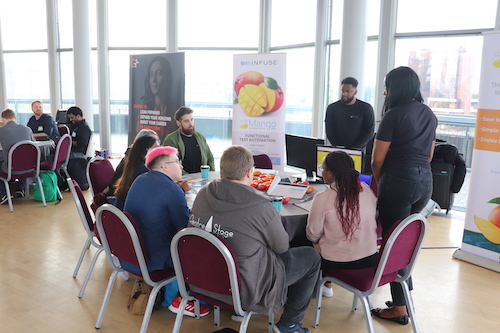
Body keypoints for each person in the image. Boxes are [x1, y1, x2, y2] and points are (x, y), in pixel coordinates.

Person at [189, 145, 321, 333]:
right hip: (244, 287)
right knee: (311, 257)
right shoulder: (260, 205)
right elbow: (282, 247)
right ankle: (290, 325)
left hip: (200, 279)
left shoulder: (203, 194)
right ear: (251, 172)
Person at [370, 66, 437, 325]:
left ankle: (399, 308)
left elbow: (377, 161)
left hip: (398, 181)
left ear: (396, 88)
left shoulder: (393, 115)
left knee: (391, 244)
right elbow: (429, 155)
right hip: (425, 182)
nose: (385, 91)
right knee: (406, 242)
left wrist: (383, 183)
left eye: (387, 85)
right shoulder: (429, 114)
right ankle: (404, 300)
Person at [122, 146, 208, 317]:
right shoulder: (171, 190)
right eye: (177, 161)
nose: (181, 166)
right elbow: (184, 232)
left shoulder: (140, 179)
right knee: (203, 246)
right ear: (165, 166)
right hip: (155, 259)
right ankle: (183, 298)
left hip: (131, 255)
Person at [306, 151, 378, 298]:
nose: (322, 171)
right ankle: (326, 286)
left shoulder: (323, 198)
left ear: (331, 173)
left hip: (338, 262)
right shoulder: (366, 189)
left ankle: (320, 287)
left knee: (304, 241)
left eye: (323, 168)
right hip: (370, 257)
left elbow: (312, 234)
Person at [324, 77, 375, 150]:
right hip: (337, 151)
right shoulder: (332, 108)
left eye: (348, 91)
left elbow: (369, 132)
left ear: (355, 92)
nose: (344, 94)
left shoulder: (366, 108)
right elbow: (329, 131)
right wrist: (339, 148)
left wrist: (352, 149)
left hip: (358, 151)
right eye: (343, 91)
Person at [107, 129, 160, 197]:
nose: (159, 150)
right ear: (145, 148)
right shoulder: (141, 169)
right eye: (156, 147)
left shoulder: (134, 161)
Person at [162, 107, 215, 174]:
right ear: (178, 123)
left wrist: (211, 173)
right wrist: (190, 179)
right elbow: (172, 164)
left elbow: (210, 157)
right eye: (186, 121)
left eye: (192, 120)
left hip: (202, 178)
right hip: (183, 180)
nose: (191, 124)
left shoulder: (200, 137)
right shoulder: (171, 140)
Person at [113, 135, 159, 210]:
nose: (160, 150)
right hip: (130, 217)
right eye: (156, 147)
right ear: (146, 151)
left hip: (122, 214)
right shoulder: (143, 172)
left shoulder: (134, 165)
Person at [0, 109, 34, 203]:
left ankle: (5, 194)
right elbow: (32, 145)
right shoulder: (27, 129)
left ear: (3, 119)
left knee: (4, 162)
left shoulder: (1, 130)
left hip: (11, 169)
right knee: (22, 159)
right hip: (30, 167)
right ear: (15, 118)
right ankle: (20, 189)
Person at [139, 56, 178, 138]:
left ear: (167, 79)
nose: (154, 80)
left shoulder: (175, 115)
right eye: (151, 75)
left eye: (158, 74)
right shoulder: (143, 115)